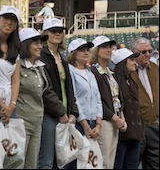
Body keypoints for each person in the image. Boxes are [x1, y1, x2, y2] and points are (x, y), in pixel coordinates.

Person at [37, 17, 79, 169]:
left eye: (60, 31)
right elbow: (45, 89)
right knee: (46, 161)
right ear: (45, 33)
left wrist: (73, 112)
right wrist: (61, 113)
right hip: (49, 115)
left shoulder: (63, 59)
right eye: (53, 31)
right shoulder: (41, 56)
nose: (57, 34)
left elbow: (70, 89)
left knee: (62, 160)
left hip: (65, 115)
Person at [89, 35, 127, 169]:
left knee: (110, 163)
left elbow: (117, 97)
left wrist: (121, 117)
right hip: (104, 120)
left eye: (109, 47)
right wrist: (114, 117)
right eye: (104, 47)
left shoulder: (110, 72)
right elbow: (97, 99)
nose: (108, 50)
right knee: (103, 162)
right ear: (96, 51)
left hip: (115, 120)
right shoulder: (93, 72)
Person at [66, 38, 103, 169]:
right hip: (79, 124)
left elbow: (98, 99)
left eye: (87, 50)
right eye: (82, 50)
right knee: (76, 162)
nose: (86, 52)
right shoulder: (70, 71)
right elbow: (74, 99)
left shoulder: (90, 73)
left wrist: (98, 124)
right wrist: (86, 126)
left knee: (91, 163)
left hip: (93, 123)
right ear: (73, 53)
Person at [16, 28, 49, 168]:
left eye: (40, 42)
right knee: (17, 163)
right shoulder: (17, 65)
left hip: (37, 121)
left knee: (31, 164)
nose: (40, 46)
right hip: (21, 120)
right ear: (25, 44)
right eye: (35, 42)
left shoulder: (39, 66)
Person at [111, 48, 145, 169]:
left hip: (135, 133)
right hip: (122, 133)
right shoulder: (114, 81)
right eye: (131, 59)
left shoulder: (132, 81)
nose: (134, 62)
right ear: (122, 63)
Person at [0, 5, 20, 124]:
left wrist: (12, 105)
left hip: (10, 106)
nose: (9, 22)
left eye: (13, 20)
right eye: (5, 18)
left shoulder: (15, 49)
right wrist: (1, 105)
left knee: (10, 142)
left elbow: (15, 80)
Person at [130, 37, 159, 169]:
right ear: (134, 53)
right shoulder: (128, 70)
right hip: (137, 125)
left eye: (149, 51)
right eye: (143, 52)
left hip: (154, 124)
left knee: (154, 162)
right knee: (133, 162)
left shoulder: (155, 68)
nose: (147, 54)